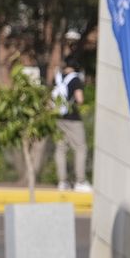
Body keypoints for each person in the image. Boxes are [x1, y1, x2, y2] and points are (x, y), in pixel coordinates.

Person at [52, 58, 90, 192]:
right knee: (80, 148)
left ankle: (62, 182)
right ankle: (80, 180)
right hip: (72, 118)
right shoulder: (75, 79)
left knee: (61, 148)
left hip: (58, 117)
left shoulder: (57, 78)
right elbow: (79, 99)